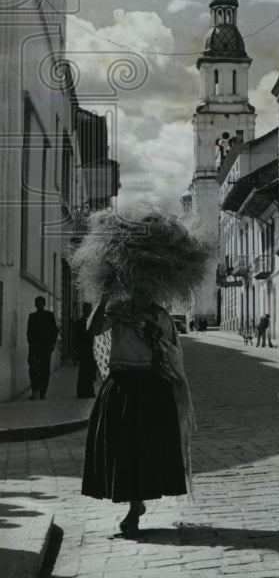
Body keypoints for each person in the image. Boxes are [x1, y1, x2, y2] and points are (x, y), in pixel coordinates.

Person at [73, 209, 208, 538]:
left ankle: (135, 507)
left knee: (143, 451)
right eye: (138, 285)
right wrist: (104, 293)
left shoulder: (161, 318)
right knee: (122, 450)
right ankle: (133, 503)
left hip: (150, 387)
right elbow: (92, 330)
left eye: (149, 287)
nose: (143, 291)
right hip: (119, 387)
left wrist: (154, 339)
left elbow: (172, 353)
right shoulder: (118, 311)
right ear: (131, 283)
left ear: (156, 287)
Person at [26, 296, 59, 400]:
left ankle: (42, 392)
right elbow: (29, 332)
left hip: (46, 347)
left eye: (41, 303)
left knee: (44, 370)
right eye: (37, 303)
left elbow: (54, 330)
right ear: (35, 305)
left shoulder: (49, 316)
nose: (39, 305)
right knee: (33, 368)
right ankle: (34, 391)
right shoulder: (32, 316)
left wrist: (53, 344)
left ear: (44, 304)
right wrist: (31, 344)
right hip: (34, 347)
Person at [74, 301, 97, 398]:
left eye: (89, 309)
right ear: (83, 310)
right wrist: (76, 350)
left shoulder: (94, 322)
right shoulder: (80, 322)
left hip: (92, 350)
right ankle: (82, 392)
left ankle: (90, 391)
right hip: (84, 350)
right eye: (86, 309)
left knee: (91, 371)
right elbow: (76, 337)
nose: (87, 310)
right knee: (83, 372)